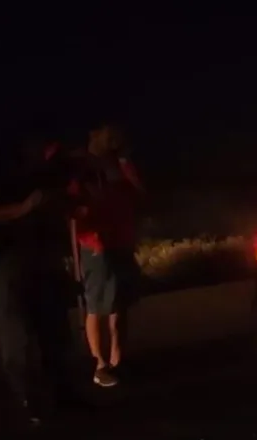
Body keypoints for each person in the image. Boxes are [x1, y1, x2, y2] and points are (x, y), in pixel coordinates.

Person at [0, 133, 79, 425]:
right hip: (5, 260)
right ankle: (31, 401)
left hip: (41, 256)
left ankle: (65, 395)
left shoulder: (45, 170)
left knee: (55, 328)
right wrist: (22, 209)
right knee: (17, 333)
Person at [70, 122, 144, 387]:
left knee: (120, 304)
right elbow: (73, 204)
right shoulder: (81, 166)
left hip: (121, 240)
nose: (114, 137)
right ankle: (99, 364)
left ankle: (118, 360)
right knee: (98, 304)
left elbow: (138, 193)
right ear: (93, 133)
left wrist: (124, 161)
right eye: (107, 132)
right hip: (96, 244)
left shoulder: (119, 164)